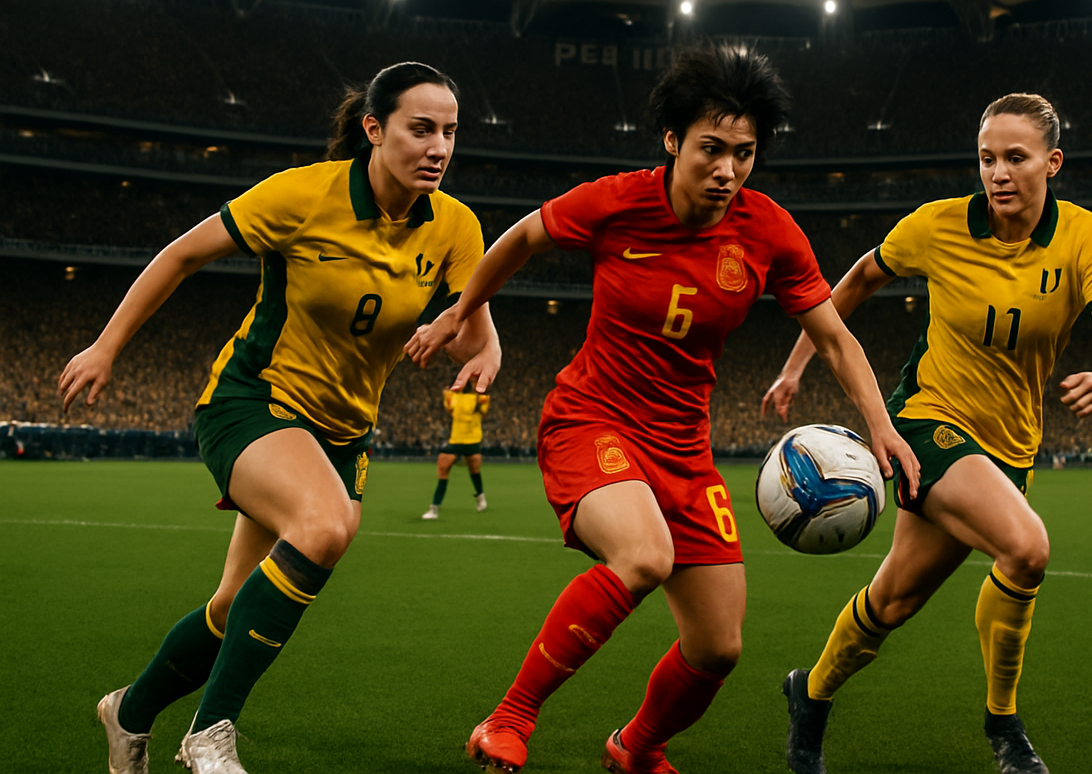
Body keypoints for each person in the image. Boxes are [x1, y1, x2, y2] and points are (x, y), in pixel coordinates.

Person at [406, 43, 921, 774]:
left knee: (719, 645)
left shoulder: (768, 230)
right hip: (592, 420)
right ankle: (509, 717)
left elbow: (834, 338)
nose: (727, 170)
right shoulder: (617, 202)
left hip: (683, 450)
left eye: (744, 153)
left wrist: (881, 428)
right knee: (644, 556)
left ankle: (637, 747)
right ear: (672, 139)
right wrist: (463, 314)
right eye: (711, 148)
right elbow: (521, 237)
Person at [62, 62, 498, 774]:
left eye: (450, 132)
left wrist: (488, 355)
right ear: (373, 129)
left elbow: (475, 319)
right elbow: (181, 255)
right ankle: (211, 732)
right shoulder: (302, 195)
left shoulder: (454, 224)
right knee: (327, 527)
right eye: (421, 129)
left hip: (343, 431)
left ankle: (129, 714)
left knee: (235, 607)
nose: (439, 147)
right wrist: (106, 346)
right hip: (252, 402)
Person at [763, 93, 1092, 774]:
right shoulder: (937, 226)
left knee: (894, 599)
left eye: (1016, 158)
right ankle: (1005, 728)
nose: (998, 172)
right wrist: (796, 367)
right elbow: (849, 284)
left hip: (1010, 446)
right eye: (987, 158)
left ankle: (810, 694)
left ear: (1052, 162)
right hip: (926, 422)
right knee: (1027, 548)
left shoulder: (1084, 236)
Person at [423, 386, 491, 519]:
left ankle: (481, 498)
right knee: (446, 470)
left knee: (474, 471)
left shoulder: (466, 398)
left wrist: (448, 395)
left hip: (470, 439)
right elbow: (482, 413)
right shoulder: (478, 398)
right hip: (459, 440)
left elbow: (450, 411)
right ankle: (434, 508)